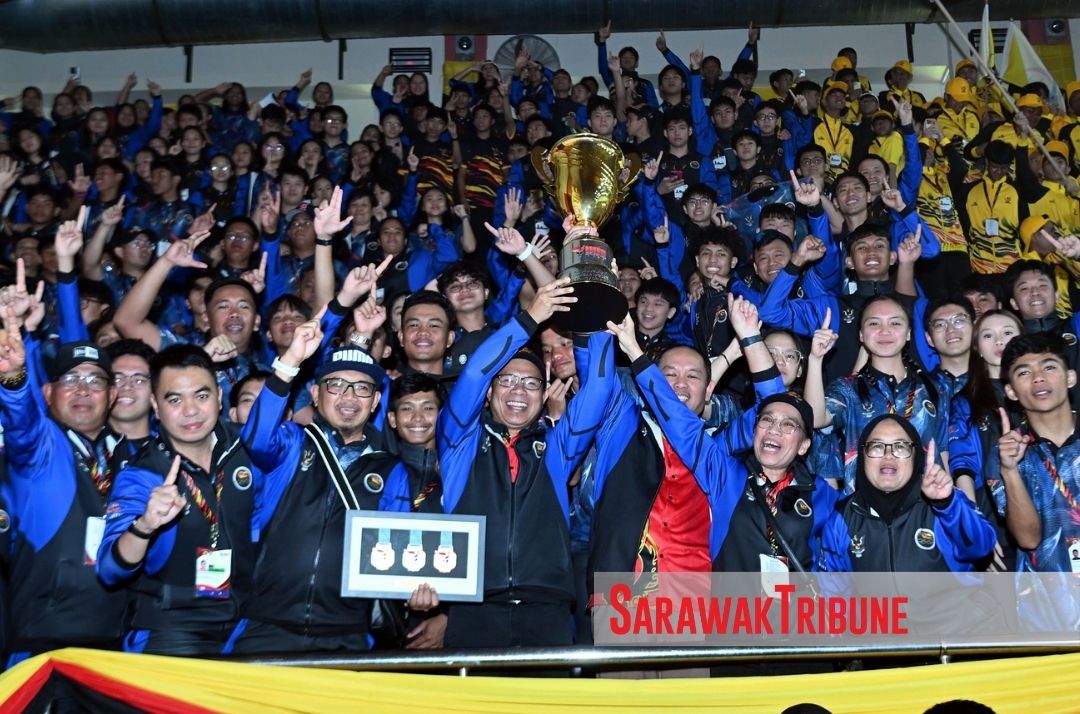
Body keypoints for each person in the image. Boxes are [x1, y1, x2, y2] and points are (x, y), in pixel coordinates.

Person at [436, 271, 610, 648]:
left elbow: (598, 389)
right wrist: (529, 319)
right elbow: (474, 372)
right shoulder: (459, 442)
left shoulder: (557, 450)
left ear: (544, 395)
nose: (519, 391)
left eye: (531, 383)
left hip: (547, 609)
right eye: (507, 381)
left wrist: (594, 316)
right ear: (488, 393)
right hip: (473, 607)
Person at [231, 308, 388, 654]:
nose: (349, 397)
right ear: (316, 395)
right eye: (336, 386)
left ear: (376, 401)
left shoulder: (391, 470)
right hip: (267, 626)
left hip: (347, 635)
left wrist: (421, 588)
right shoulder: (291, 443)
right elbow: (255, 437)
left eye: (362, 388)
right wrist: (290, 361)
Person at [97, 345, 260, 655]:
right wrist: (144, 526)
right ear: (155, 406)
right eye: (175, 400)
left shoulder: (247, 449)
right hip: (172, 630)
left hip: (246, 625)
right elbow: (109, 570)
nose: (190, 410)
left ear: (219, 397)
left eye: (201, 396)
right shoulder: (143, 474)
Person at [0, 331, 127, 663]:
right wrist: (14, 379)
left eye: (95, 380)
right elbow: (22, 424)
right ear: (47, 392)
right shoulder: (41, 448)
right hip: (43, 646)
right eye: (70, 379)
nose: (83, 389)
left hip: (116, 649)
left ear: (112, 395)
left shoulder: (130, 457)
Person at [819, 415, 995, 572]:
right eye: (877, 446)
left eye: (901, 447)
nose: (888, 455)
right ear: (862, 456)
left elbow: (982, 548)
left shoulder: (945, 502)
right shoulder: (841, 519)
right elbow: (834, 592)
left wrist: (946, 504)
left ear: (916, 457)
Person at [997, 333, 1080, 573]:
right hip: (1047, 592)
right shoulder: (1006, 452)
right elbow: (1028, 539)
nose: (1038, 378)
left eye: (1049, 367)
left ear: (1070, 377)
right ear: (1011, 391)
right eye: (1024, 373)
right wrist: (1009, 471)